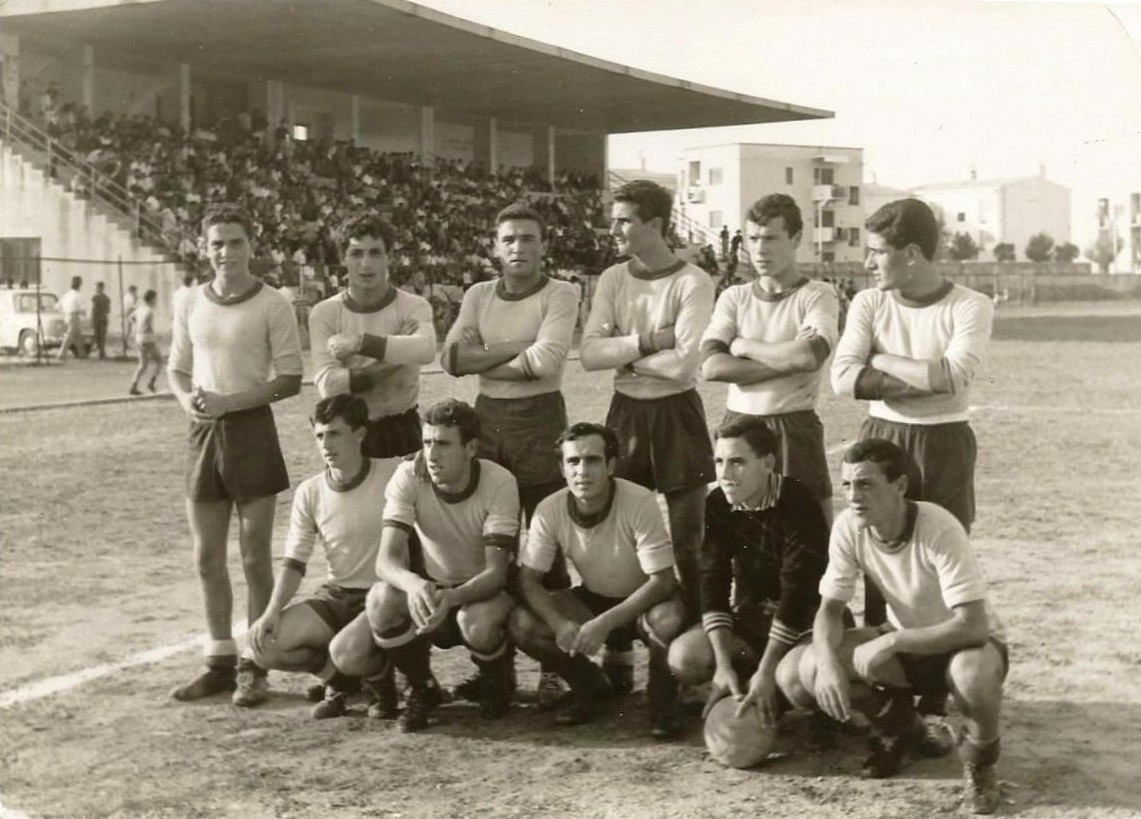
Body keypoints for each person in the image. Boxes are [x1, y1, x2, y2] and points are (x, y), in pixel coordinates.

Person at [831, 197, 995, 748]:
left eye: (877, 252)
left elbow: (954, 377)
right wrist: (920, 376)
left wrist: (880, 360)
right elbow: (842, 379)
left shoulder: (971, 304)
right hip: (881, 435)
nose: (868, 263)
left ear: (912, 254)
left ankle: (937, 690)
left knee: (941, 561)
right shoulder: (868, 302)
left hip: (945, 440)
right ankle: (894, 701)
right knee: (880, 558)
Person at [775, 440, 1007, 814]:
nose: (853, 496)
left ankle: (980, 766)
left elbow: (974, 626)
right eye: (847, 485)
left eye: (865, 484)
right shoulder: (850, 526)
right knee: (801, 672)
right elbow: (829, 610)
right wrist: (829, 664)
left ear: (900, 486)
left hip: (965, 646)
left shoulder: (939, 526)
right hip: (910, 649)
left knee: (971, 675)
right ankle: (903, 729)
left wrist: (894, 640)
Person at [441, 202, 579, 707]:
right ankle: (493, 669)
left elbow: (547, 363)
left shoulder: (561, 293)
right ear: (495, 248)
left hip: (540, 420)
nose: (518, 247)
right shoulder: (479, 294)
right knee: (491, 544)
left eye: (528, 238)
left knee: (546, 545)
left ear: (544, 245)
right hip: (487, 420)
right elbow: (450, 358)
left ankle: (554, 665)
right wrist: (517, 350)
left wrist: (486, 354)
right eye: (509, 240)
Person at [167, 203, 303, 706]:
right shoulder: (188, 301)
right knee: (205, 558)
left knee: (254, 558)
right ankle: (218, 660)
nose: (226, 252)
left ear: (253, 244)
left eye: (236, 242)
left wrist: (230, 403)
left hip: (251, 430)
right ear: (205, 249)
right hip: (203, 434)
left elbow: (289, 378)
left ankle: (256, 665)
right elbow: (177, 370)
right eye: (217, 244)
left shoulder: (273, 303)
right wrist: (189, 402)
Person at [580, 179, 715, 605]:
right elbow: (588, 353)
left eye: (624, 221)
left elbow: (684, 366)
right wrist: (650, 342)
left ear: (655, 224)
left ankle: (696, 636)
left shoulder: (693, 281)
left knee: (687, 544)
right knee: (621, 540)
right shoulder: (613, 279)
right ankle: (620, 650)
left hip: (677, 414)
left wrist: (621, 353)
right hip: (627, 415)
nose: (613, 231)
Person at [510, 422, 686, 737]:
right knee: (524, 625)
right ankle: (590, 685)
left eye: (592, 460)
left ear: (611, 465)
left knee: (668, 617)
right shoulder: (549, 509)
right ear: (562, 468)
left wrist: (603, 624)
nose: (582, 471)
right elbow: (529, 580)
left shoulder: (639, 500)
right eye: (573, 461)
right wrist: (559, 623)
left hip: (644, 599)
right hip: (594, 596)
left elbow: (662, 581)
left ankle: (663, 702)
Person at [667, 417, 830, 736]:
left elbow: (797, 594)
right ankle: (743, 682)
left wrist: (768, 670)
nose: (725, 475)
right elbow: (713, 580)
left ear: (767, 463)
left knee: (794, 680)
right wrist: (723, 664)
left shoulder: (798, 501)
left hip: (807, 621)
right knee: (685, 657)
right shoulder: (717, 503)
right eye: (719, 462)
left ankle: (810, 702)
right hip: (754, 617)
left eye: (737, 462)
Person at [242, 395, 402, 720]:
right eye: (319, 435)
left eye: (335, 434)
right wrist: (271, 612)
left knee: (347, 650)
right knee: (264, 646)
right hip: (336, 596)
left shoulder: (395, 473)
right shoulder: (310, 491)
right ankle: (340, 682)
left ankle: (382, 682)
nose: (326, 444)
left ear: (360, 433)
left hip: (383, 598)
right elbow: (294, 560)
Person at [367, 399, 519, 732]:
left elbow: (496, 573)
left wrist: (451, 598)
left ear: (471, 447)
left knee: (475, 620)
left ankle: (496, 678)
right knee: (379, 600)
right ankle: (422, 687)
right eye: (426, 442)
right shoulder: (409, 474)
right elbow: (386, 560)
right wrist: (414, 584)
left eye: (444, 444)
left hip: (481, 594)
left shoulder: (499, 482)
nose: (431, 455)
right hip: (433, 587)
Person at [701, 194, 840, 525]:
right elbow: (712, 366)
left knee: (808, 535)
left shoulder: (817, 294)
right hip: (740, 424)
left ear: (795, 239)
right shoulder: (735, 297)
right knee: (745, 537)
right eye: (753, 239)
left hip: (793, 425)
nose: (760, 249)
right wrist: (784, 359)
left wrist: (743, 344)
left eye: (771, 238)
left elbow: (808, 356)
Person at [310, 214, 436, 459]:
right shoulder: (325, 312)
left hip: (402, 428)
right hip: (349, 433)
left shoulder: (413, 306)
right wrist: (397, 358)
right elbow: (329, 385)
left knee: (407, 497)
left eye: (375, 253)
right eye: (356, 254)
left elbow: (426, 350)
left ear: (389, 257)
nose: (365, 264)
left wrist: (359, 343)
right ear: (342, 258)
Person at [128, 289, 163, 395]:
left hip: (138, 337)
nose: (156, 301)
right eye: (155, 299)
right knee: (159, 361)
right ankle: (152, 382)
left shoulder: (140, 309)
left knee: (142, 364)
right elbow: (147, 325)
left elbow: (130, 318)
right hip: (147, 337)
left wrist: (137, 324)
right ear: (152, 299)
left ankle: (134, 385)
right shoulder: (149, 310)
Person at [55, 276, 85, 361]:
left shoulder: (67, 295)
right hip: (74, 316)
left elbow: (57, 306)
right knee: (69, 336)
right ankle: (61, 354)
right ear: (79, 285)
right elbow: (81, 307)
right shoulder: (77, 295)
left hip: (66, 316)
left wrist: (64, 311)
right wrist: (83, 312)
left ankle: (82, 354)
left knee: (78, 336)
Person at [91, 281, 111, 359]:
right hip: (104, 318)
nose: (95, 289)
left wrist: (92, 319)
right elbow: (108, 310)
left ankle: (99, 350)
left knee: (97, 335)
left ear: (99, 288)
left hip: (97, 319)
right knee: (102, 336)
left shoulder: (95, 298)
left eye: (96, 287)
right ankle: (101, 352)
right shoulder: (107, 298)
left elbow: (93, 309)